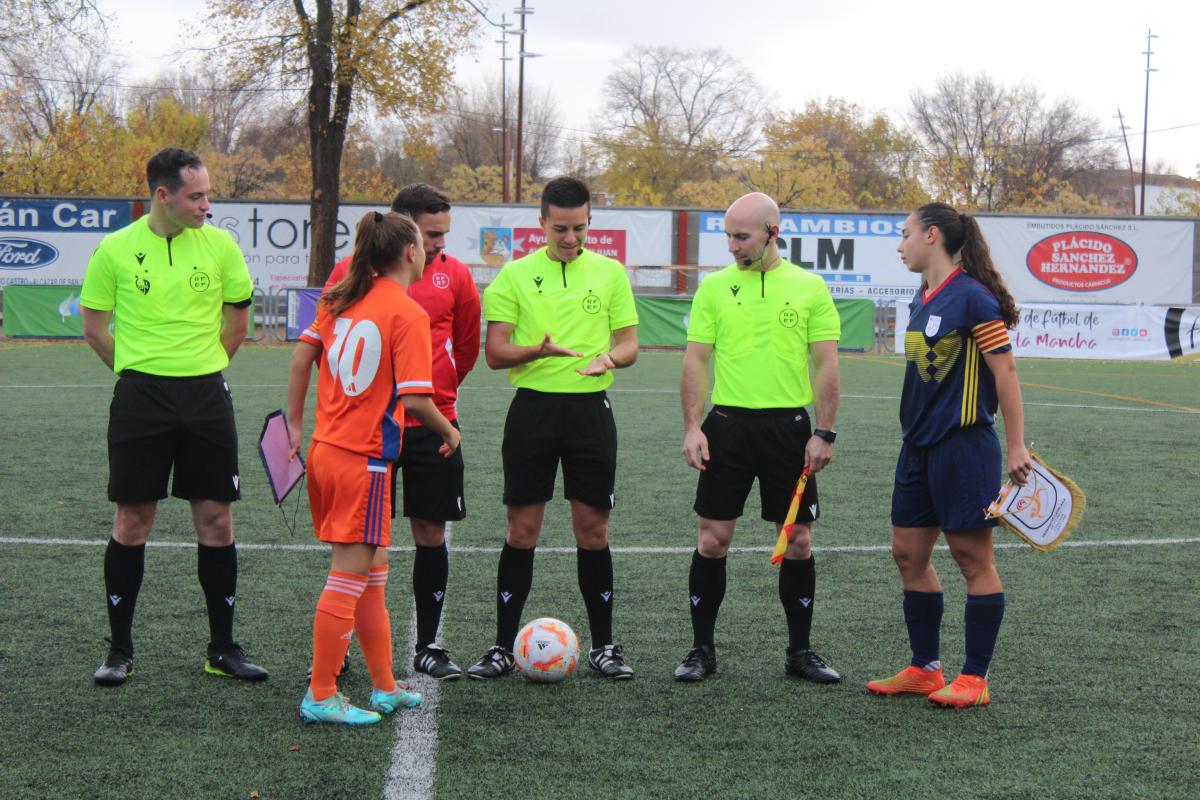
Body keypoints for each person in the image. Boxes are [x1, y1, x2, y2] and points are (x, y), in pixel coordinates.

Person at [81, 147, 267, 687]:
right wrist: (140, 370)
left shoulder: (220, 245)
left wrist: (204, 366)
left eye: (208, 194)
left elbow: (237, 319)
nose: (207, 205)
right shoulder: (114, 249)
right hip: (141, 399)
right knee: (132, 522)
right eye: (197, 195)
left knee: (216, 520)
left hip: (207, 396)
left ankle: (222, 648)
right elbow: (94, 327)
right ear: (163, 195)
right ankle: (119, 651)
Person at [287, 211, 462, 724]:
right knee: (348, 576)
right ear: (410, 252)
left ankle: (384, 685)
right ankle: (321, 694)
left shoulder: (340, 297)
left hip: (327, 450)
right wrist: (449, 431)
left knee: (373, 573)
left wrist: (294, 426)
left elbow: (301, 359)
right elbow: (413, 399)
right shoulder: (405, 312)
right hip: (364, 460)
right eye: (424, 243)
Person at [466, 176, 640, 680]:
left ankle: (605, 646)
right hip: (532, 413)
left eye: (580, 228)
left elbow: (630, 345)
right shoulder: (514, 277)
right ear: (541, 223)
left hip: (590, 413)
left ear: (590, 223)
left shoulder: (609, 274)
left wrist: (609, 357)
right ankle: (501, 647)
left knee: (594, 531)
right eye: (560, 228)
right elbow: (495, 354)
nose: (570, 238)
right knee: (522, 532)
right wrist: (536, 350)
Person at [865, 202, 1032, 709]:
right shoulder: (923, 295)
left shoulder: (974, 300)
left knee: (971, 558)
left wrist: (1017, 444)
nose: (900, 244)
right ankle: (925, 668)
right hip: (916, 448)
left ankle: (975, 679)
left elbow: (1005, 373)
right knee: (907, 555)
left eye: (906, 233)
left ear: (932, 235)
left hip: (963, 448)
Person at [675, 192, 842, 684]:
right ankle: (701, 651)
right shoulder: (714, 289)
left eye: (741, 236)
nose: (731, 246)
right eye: (727, 235)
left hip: (788, 432)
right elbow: (696, 360)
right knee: (712, 541)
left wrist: (823, 431)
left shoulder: (810, 288)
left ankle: (800, 652)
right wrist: (692, 426)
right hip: (725, 427)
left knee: (797, 544)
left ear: (773, 231)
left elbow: (826, 363)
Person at [323, 184, 481, 680]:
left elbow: (466, 346)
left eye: (444, 234)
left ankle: (429, 644)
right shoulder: (351, 275)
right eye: (432, 234)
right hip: (369, 430)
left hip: (433, 422)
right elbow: (328, 343)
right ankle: (342, 643)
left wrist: (443, 397)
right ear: (404, 228)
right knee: (361, 543)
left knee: (431, 532)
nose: (439, 244)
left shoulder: (455, 274)